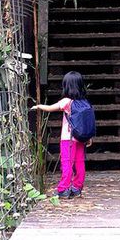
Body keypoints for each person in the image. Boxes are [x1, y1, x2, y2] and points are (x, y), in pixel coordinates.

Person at [30, 71, 92, 199]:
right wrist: (88, 137)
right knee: (80, 163)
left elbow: (51, 107)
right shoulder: (84, 102)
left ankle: (63, 188)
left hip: (68, 139)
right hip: (81, 138)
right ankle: (77, 187)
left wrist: (39, 106)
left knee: (67, 163)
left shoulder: (67, 102)